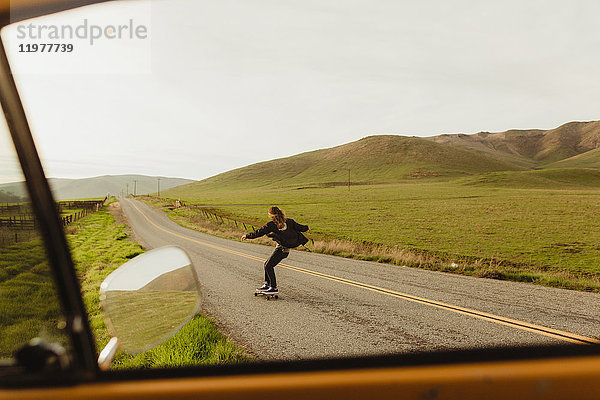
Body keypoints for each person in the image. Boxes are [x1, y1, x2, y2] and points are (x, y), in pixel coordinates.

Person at [241, 206, 310, 295]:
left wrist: (247, 236)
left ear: (270, 215)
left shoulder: (272, 225)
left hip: (281, 250)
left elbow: (259, 232)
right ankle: (267, 284)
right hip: (284, 250)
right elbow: (300, 227)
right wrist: (306, 228)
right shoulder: (289, 222)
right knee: (267, 264)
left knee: (268, 266)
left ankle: (273, 287)